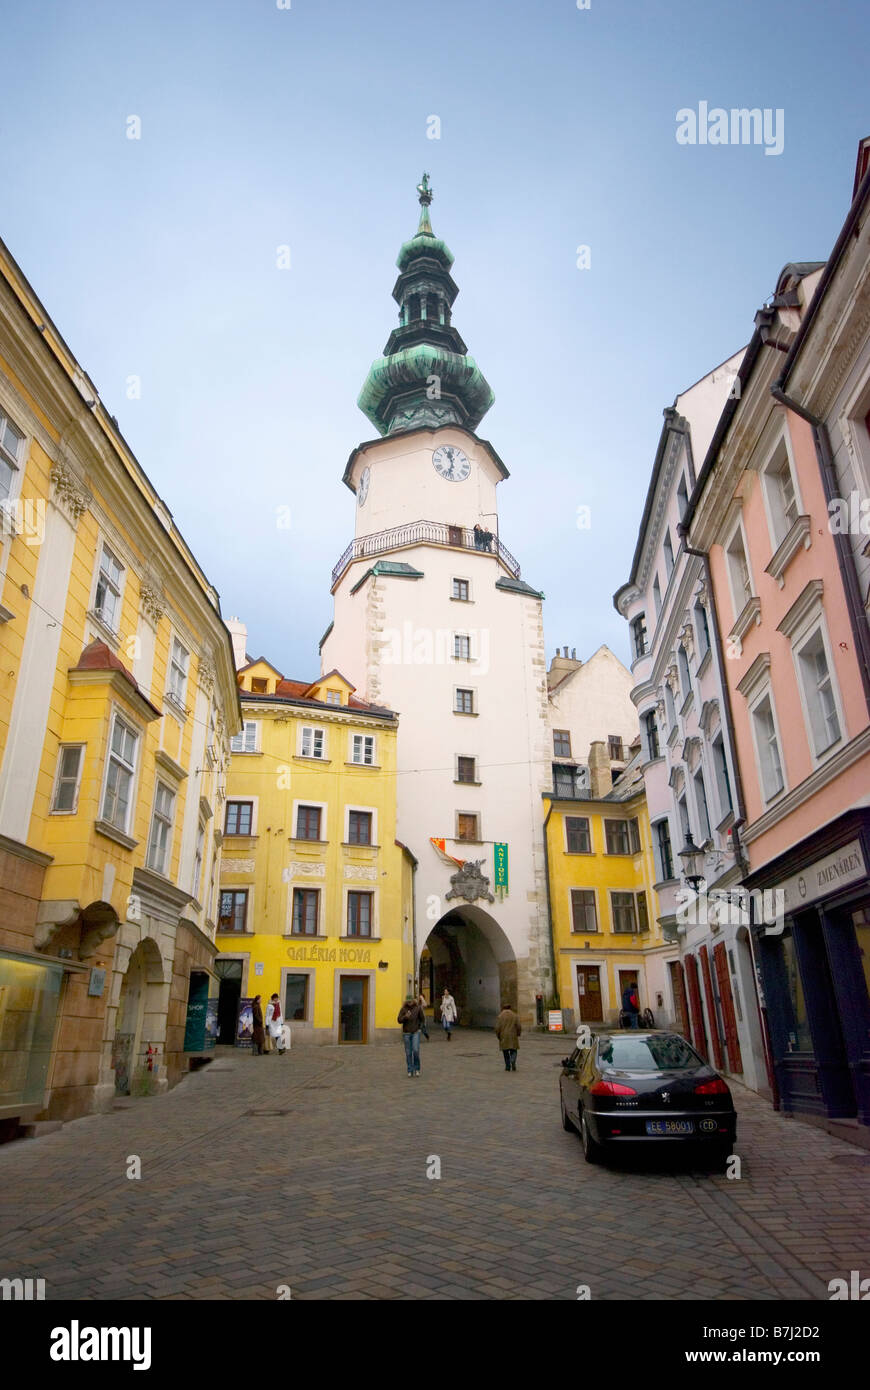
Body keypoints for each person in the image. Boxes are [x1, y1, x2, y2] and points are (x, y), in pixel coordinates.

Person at [397, 995, 425, 1076]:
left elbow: (422, 1019)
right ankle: (410, 1069)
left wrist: (420, 1027)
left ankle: (417, 1068)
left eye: (410, 1001)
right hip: (406, 1033)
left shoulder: (418, 1008)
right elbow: (399, 1020)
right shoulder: (403, 1009)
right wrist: (405, 1017)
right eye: (408, 1001)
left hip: (415, 1032)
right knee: (408, 1052)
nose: (409, 1003)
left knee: (416, 1050)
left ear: (413, 1000)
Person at [495, 1000, 521, 1072]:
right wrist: (518, 1033)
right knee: (514, 1050)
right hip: (513, 1035)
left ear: (503, 1008)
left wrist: (498, 1035)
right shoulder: (514, 1015)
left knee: (505, 1052)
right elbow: (518, 1026)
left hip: (504, 1036)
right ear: (510, 1008)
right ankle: (513, 1060)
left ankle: (507, 1066)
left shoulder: (500, 1016)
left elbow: (497, 1028)